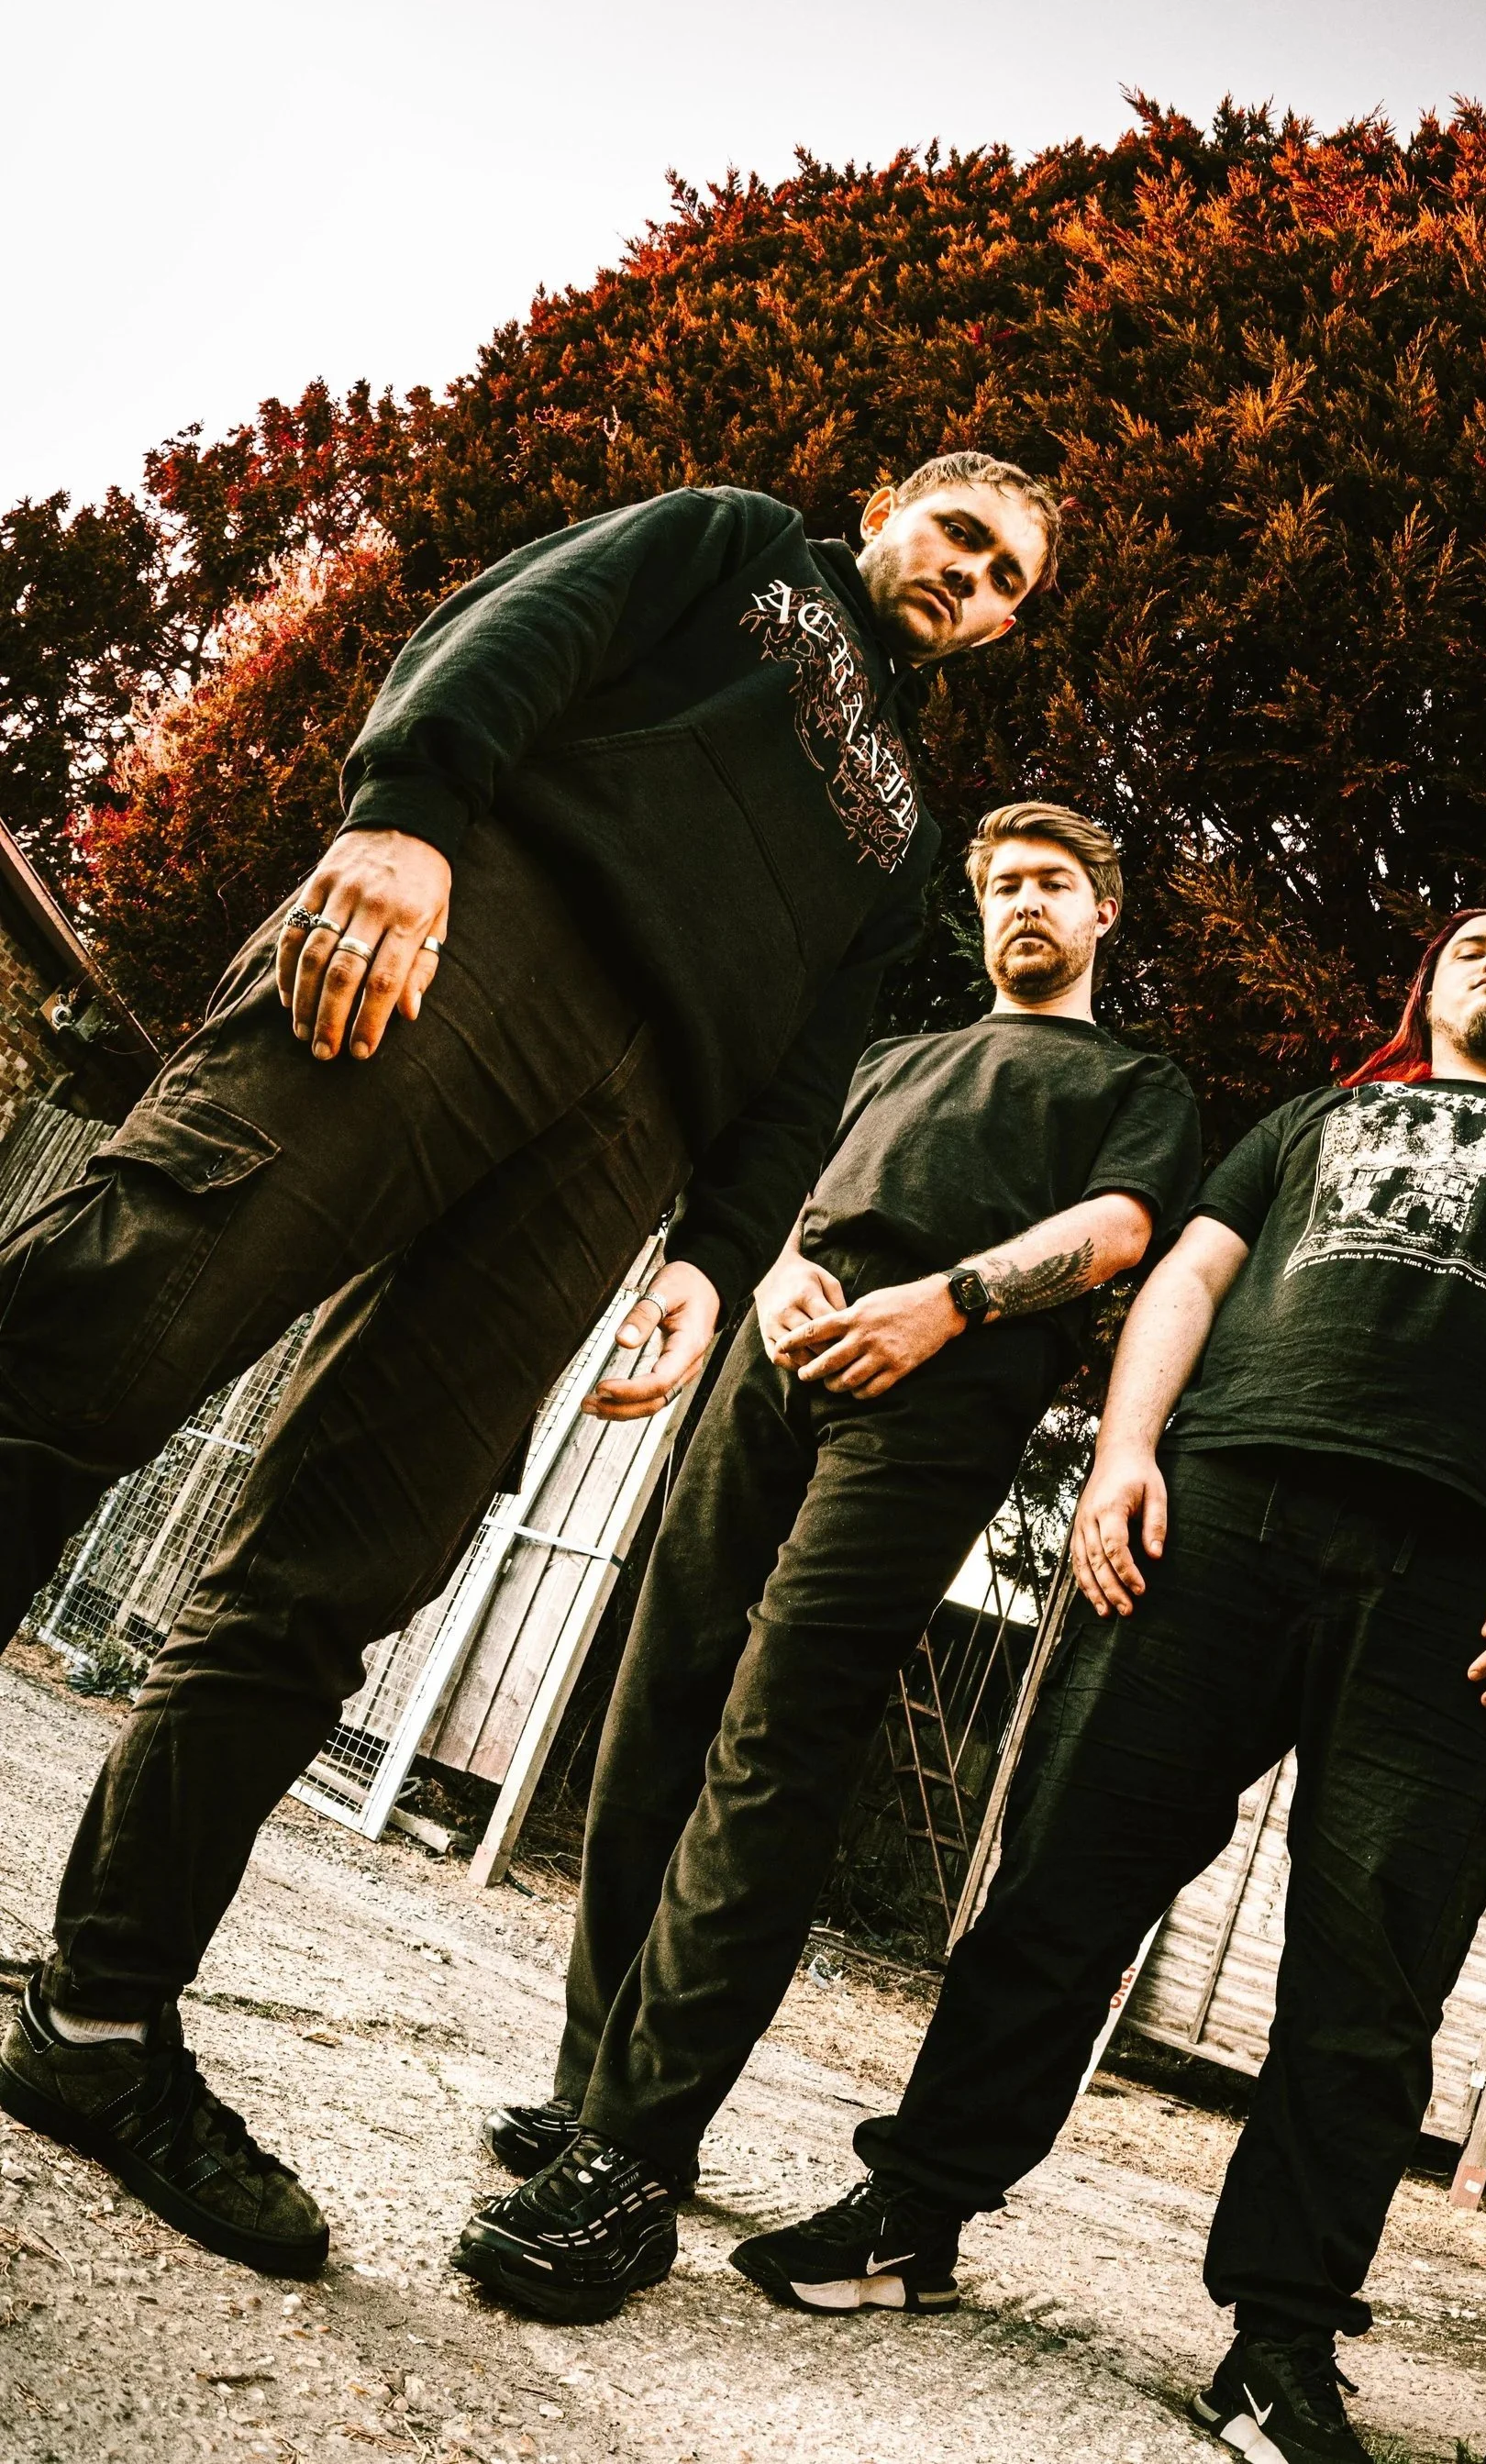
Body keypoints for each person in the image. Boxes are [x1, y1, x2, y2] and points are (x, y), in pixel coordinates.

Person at [0, 454, 1060, 2280]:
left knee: (351, 1555)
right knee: (120, 1310)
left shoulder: (903, 834)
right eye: (959, 534)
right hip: (485, 925)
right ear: (888, 506)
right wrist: (406, 819)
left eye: (1006, 581)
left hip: (634, 1124)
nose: (968, 579)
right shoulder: (738, 548)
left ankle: (96, 2017)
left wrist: (714, 1261)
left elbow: (808, 1065)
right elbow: (523, 623)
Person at [743, 908, 1486, 2464]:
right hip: (1219, 1513)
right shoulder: (1317, 1118)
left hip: (1468, 1577)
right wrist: (1121, 1454)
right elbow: (1188, 1274)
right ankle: (912, 2211)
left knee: (1373, 1966)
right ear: (1425, 991)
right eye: (1469, 948)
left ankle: (1280, 2341)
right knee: (1063, 1868)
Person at [449, 801, 1201, 2323]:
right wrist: (785, 1270)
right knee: (659, 1696)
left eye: (1053, 884)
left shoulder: (1134, 1081)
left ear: (1104, 912)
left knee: (774, 1735)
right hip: (781, 1360)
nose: (1023, 906)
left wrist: (949, 1303)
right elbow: (795, 1197)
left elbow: (1122, 1228)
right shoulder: (892, 1058)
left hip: (938, 1384)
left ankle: (636, 2153)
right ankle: (597, 2079)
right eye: (1000, 887)